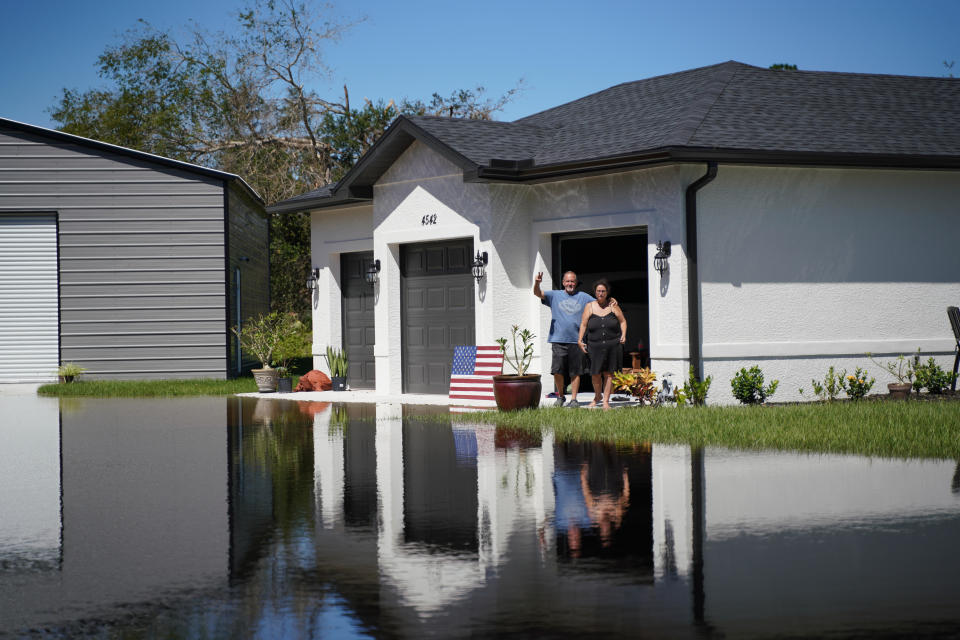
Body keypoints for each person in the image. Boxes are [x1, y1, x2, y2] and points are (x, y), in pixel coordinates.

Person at [534, 271, 614, 407]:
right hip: (558, 339)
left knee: (575, 371)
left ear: (576, 283)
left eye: (572, 281)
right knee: (557, 371)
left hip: (577, 340)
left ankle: (574, 399)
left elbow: (599, 301)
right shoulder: (554, 295)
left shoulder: (583, 297)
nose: (570, 284)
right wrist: (537, 283)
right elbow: (538, 293)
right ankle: (560, 396)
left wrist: (611, 300)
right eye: (567, 281)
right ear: (563, 282)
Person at [578, 279, 627, 409]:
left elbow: (622, 321)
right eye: (598, 291)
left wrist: (623, 334)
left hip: (612, 345)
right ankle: (597, 396)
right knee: (595, 373)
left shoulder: (613, 305)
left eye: (603, 291)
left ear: (607, 293)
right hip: (594, 345)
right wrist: (580, 340)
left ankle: (605, 401)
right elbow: (583, 324)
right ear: (595, 292)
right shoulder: (589, 306)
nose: (600, 293)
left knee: (609, 373)